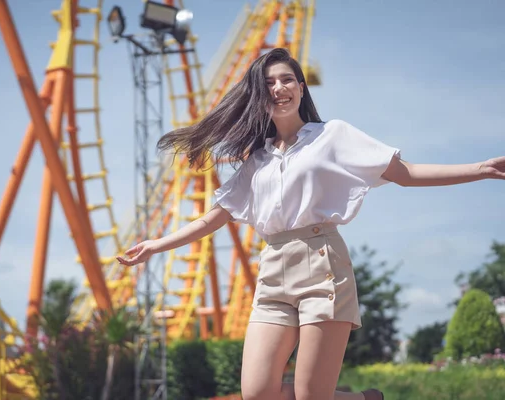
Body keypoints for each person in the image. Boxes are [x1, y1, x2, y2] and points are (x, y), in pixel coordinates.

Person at [117, 48, 505, 400]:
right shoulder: (257, 160)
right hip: (272, 273)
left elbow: (406, 173)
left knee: (311, 397)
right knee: (256, 393)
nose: (279, 88)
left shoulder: (332, 136)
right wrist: (156, 244)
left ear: (301, 89)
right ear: (258, 95)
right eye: (269, 83)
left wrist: (481, 168)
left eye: (287, 79)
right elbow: (214, 216)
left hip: (322, 265)